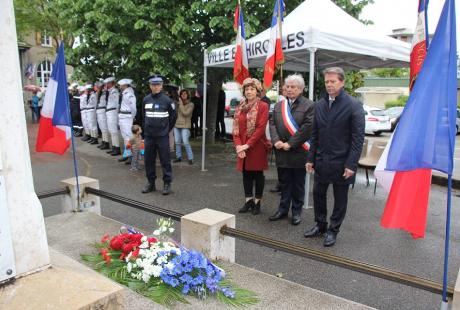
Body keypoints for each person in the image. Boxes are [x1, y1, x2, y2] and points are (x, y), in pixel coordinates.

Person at [304, 67, 365, 247]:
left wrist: (351, 164)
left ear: (342, 82)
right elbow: (315, 134)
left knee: (340, 200)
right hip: (322, 160)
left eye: (333, 81)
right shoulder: (320, 104)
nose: (329, 85)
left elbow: (357, 139)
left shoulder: (354, 105)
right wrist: (310, 158)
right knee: (318, 194)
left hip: (342, 163)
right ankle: (320, 225)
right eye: (327, 82)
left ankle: (333, 230)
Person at [268, 74, 314, 226]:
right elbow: (272, 123)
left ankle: (296, 212)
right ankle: (282, 210)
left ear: (300, 89)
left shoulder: (309, 105)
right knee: (284, 182)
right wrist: (276, 141)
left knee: (298, 184)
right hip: (281, 151)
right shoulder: (279, 105)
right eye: (287, 86)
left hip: (299, 152)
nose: (289, 89)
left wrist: (290, 143)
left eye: (293, 87)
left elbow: (307, 128)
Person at [233, 78, 270, 215]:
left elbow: (260, 128)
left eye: (252, 89)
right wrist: (238, 146)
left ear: (257, 91)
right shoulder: (240, 106)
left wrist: (246, 146)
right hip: (242, 145)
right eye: (247, 89)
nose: (249, 92)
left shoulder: (263, 106)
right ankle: (248, 201)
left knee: (257, 174)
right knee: (246, 174)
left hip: (256, 145)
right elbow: (235, 129)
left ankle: (257, 202)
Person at [141, 74, 177, 195]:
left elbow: (173, 117)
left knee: (165, 160)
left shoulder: (167, 100)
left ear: (161, 86)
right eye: (153, 85)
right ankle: (151, 183)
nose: (155, 87)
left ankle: (167, 184)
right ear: (150, 86)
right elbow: (142, 116)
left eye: (158, 85)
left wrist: (166, 130)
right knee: (148, 160)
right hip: (149, 136)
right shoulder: (146, 99)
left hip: (162, 136)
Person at [269, 84, 288, 194]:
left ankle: (286, 186)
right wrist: (275, 139)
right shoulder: (278, 105)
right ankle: (280, 183)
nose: (285, 91)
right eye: (284, 89)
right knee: (280, 165)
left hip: (290, 142)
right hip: (279, 141)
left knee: (288, 167)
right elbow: (272, 122)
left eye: (287, 89)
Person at [117, 78, 137, 163]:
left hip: (127, 117)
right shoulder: (125, 93)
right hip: (123, 116)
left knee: (128, 137)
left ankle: (131, 156)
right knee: (125, 137)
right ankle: (127, 154)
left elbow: (133, 108)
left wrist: (132, 116)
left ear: (125, 85)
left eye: (121, 85)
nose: (120, 86)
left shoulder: (130, 94)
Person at [173, 89, 195, 164]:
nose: (183, 95)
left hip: (185, 125)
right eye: (182, 94)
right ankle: (178, 157)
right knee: (177, 142)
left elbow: (186, 113)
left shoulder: (191, 104)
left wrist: (181, 104)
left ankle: (190, 158)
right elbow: (174, 112)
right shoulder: (178, 103)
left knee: (185, 142)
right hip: (176, 125)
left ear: (188, 95)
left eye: (185, 94)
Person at [104, 77, 122, 156]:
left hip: (113, 111)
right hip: (109, 111)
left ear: (112, 83)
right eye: (106, 83)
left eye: (108, 83)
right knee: (111, 130)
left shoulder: (115, 91)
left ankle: (117, 148)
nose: (107, 85)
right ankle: (114, 147)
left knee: (114, 131)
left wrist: (117, 113)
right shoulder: (109, 91)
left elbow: (116, 103)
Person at [95, 81, 110, 150]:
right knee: (101, 127)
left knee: (104, 127)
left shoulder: (105, 92)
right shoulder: (99, 93)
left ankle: (106, 142)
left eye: (99, 86)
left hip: (103, 110)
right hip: (99, 110)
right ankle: (104, 141)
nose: (97, 87)